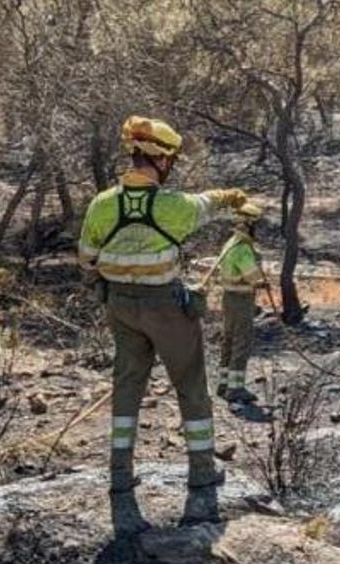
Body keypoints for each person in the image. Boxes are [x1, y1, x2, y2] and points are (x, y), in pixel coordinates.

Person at [78, 115, 246, 522]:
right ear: (164, 160)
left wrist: (107, 282)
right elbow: (206, 204)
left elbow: (86, 258)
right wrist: (232, 197)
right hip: (167, 308)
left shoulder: (102, 204)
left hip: (120, 307)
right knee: (190, 385)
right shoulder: (173, 207)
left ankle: (120, 475)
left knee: (127, 387)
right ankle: (202, 473)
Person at [213, 203, 267, 405]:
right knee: (241, 342)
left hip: (228, 298)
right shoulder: (243, 249)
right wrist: (262, 280)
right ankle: (235, 389)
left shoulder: (231, 242)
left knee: (228, 340)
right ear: (249, 224)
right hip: (241, 300)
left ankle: (224, 383)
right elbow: (253, 277)